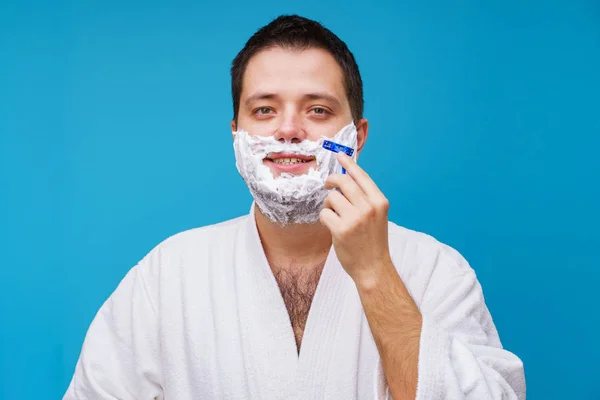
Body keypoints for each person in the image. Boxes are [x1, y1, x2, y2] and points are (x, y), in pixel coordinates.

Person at [64, 14, 526, 400]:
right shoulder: (168, 276)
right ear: (235, 133)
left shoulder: (435, 271)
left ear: (357, 137)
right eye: (264, 110)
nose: (288, 130)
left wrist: (376, 274)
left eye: (318, 110)